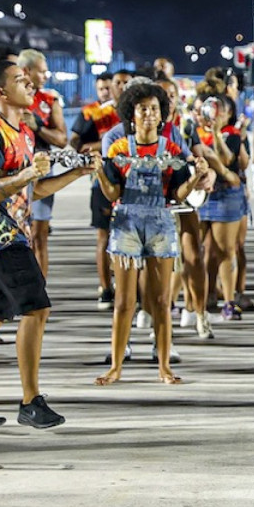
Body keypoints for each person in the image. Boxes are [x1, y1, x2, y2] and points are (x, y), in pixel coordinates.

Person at [0, 60, 101, 430]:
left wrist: (76, 173)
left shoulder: (23, 132)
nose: (29, 84)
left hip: (12, 235)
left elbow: (33, 190)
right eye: (19, 80)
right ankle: (30, 402)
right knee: (37, 309)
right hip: (0, 237)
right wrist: (28, 172)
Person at [94, 82, 210, 386]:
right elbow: (113, 194)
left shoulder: (171, 150)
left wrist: (195, 178)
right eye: (142, 108)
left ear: (162, 115)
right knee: (124, 302)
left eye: (154, 109)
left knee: (161, 301)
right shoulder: (119, 149)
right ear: (131, 113)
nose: (148, 114)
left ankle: (164, 367)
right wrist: (99, 172)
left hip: (161, 223)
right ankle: (116, 366)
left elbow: (177, 194)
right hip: (126, 224)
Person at [73, 70, 128, 310]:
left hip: (134, 182)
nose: (121, 87)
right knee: (104, 235)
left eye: (126, 83)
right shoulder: (93, 112)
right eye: (117, 83)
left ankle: (131, 289)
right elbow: (76, 143)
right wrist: (100, 144)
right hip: (103, 179)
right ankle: (106, 289)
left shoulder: (140, 111)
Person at [194, 82, 247, 321]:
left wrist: (216, 134)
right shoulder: (194, 132)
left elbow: (226, 159)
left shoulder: (232, 135)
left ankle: (229, 301)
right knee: (196, 251)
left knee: (226, 250)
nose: (215, 115)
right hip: (198, 195)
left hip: (225, 194)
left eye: (221, 111)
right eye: (211, 109)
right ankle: (198, 301)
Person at [18, 50, 68, 277]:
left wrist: (38, 127)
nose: (46, 76)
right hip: (13, 172)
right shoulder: (9, 98)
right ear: (26, 71)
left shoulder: (50, 101)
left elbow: (62, 139)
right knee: (15, 236)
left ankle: (40, 290)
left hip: (42, 171)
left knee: (39, 236)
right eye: (41, 71)